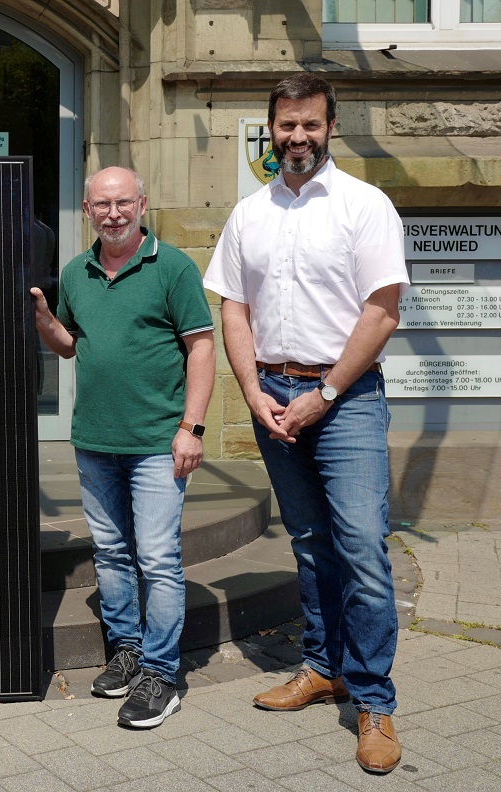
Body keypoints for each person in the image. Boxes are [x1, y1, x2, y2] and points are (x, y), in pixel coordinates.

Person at [204, 73, 409, 774]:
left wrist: (325, 391)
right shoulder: (249, 213)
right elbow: (233, 307)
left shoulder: (363, 205)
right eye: (286, 126)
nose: (297, 138)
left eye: (310, 126)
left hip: (343, 399)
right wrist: (251, 392)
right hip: (274, 397)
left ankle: (374, 700)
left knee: (360, 548)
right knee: (311, 542)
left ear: (330, 127)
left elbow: (382, 311)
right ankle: (323, 668)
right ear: (271, 129)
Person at [31, 166, 215, 729]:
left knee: (157, 558)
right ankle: (127, 651)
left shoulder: (174, 267)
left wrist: (193, 428)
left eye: (123, 203)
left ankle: (161, 673)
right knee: (110, 553)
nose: (113, 213)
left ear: (142, 203)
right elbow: (67, 345)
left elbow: (202, 350)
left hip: (159, 441)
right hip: (95, 440)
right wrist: (42, 318)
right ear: (87, 210)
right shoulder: (77, 272)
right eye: (102, 205)